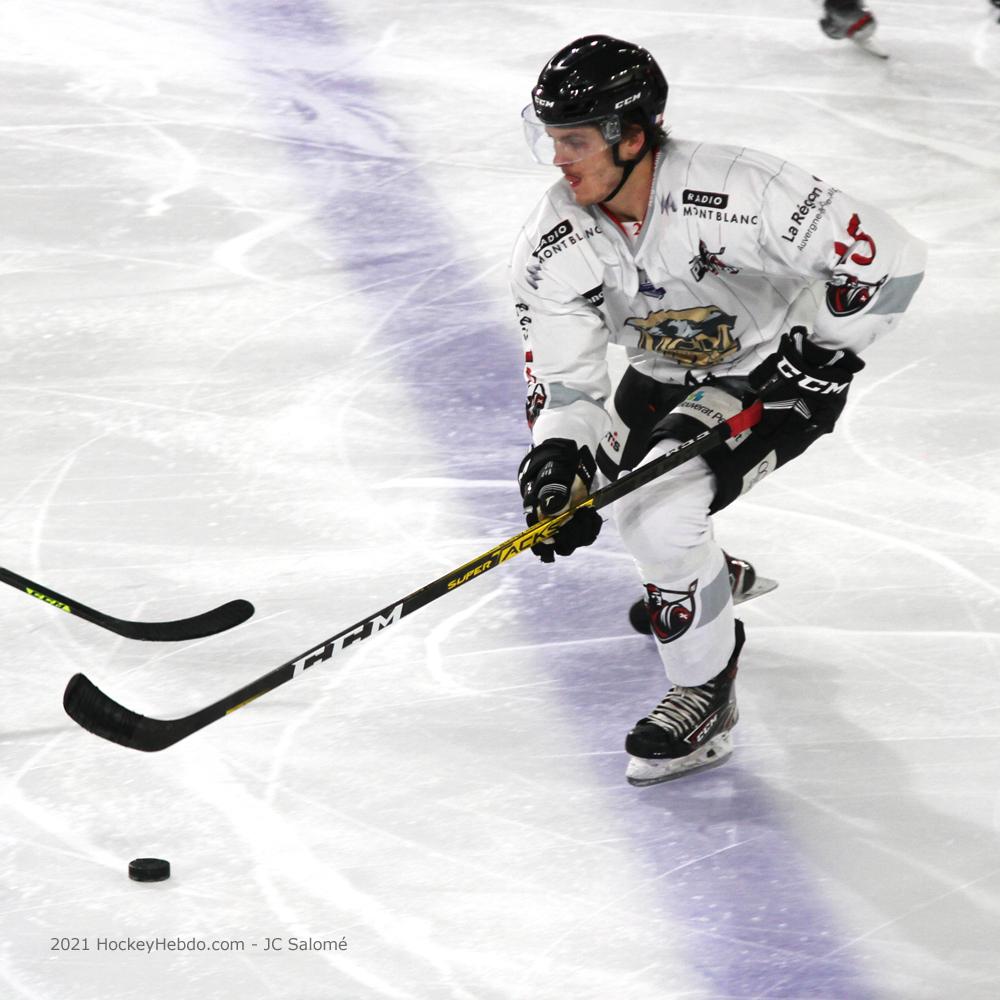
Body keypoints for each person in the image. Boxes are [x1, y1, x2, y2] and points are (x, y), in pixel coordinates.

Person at [511, 36, 926, 785]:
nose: (558, 159)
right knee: (590, 495)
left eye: (574, 140)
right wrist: (559, 456)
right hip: (654, 384)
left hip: (768, 378)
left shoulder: (738, 191)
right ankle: (710, 580)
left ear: (631, 135)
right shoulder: (555, 240)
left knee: (656, 516)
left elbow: (890, 258)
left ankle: (704, 690)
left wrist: (823, 355)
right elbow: (565, 377)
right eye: (551, 139)